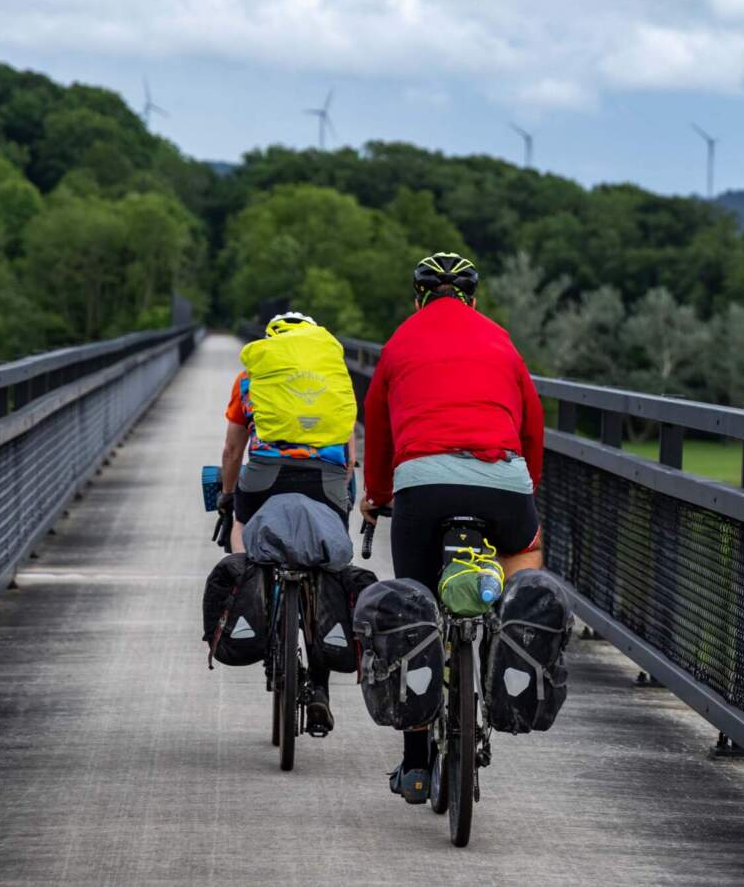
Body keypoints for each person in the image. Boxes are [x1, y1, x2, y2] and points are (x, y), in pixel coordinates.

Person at [359, 253, 545, 804]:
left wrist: (377, 497)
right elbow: (532, 425)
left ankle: (416, 765)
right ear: (473, 297)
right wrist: (525, 491)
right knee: (524, 551)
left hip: (423, 484)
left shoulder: (399, 343)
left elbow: (377, 426)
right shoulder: (501, 341)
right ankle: (509, 633)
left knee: (417, 609)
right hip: (504, 479)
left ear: (417, 296)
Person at [217, 311, 356, 735]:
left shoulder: (250, 378)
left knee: (243, 523)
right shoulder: (333, 377)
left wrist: (228, 498)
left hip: (265, 475)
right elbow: (349, 455)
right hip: (325, 479)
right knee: (326, 562)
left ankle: (252, 589)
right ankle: (319, 690)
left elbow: (232, 450)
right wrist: (342, 493)